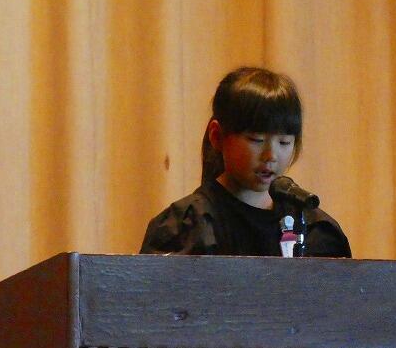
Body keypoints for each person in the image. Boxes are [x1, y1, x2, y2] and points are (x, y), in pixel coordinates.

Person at [140, 66, 351, 257]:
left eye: (284, 142)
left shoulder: (316, 231)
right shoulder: (184, 228)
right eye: (256, 140)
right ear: (217, 136)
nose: (271, 155)